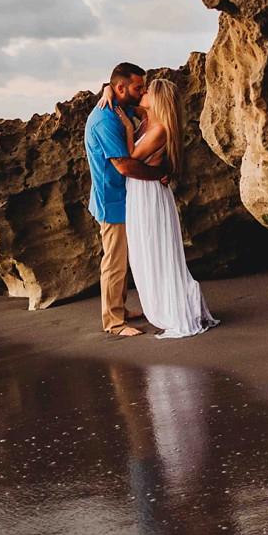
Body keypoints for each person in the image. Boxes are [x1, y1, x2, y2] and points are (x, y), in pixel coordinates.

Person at [111, 76, 219, 339]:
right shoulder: (148, 119)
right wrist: (108, 90)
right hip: (139, 191)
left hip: (148, 195)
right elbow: (120, 98)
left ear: (157, 99)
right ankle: (165, 303)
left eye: (147, 91)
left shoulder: (159, 129)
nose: (142, 93)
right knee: (145, 251)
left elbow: (131, 158)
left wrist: (126, 127)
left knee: (155, 249)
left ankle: (174, 309)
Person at [84, 61, 168, 337]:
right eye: (138, 87)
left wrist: (106, 89)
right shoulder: (106, 119)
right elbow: (124, 165)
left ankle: (120, 307)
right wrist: (159, 173)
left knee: (122, 258)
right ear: (122, 88)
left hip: (121, 196)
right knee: (114, 261)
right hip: (112, 199)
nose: (142, 91)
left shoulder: (120, 104)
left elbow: (144, 109)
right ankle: (114, 322)